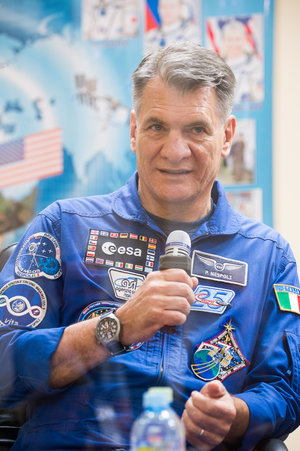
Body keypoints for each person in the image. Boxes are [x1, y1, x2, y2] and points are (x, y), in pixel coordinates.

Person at [0, 43, 299, 451]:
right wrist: (114, 329)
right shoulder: (63, 225)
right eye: (157, 126)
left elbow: (285, 390)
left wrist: (236, 414)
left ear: (227, 135)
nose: (175, 151)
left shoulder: (270, 256)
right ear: (133, 130)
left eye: (196, 129)